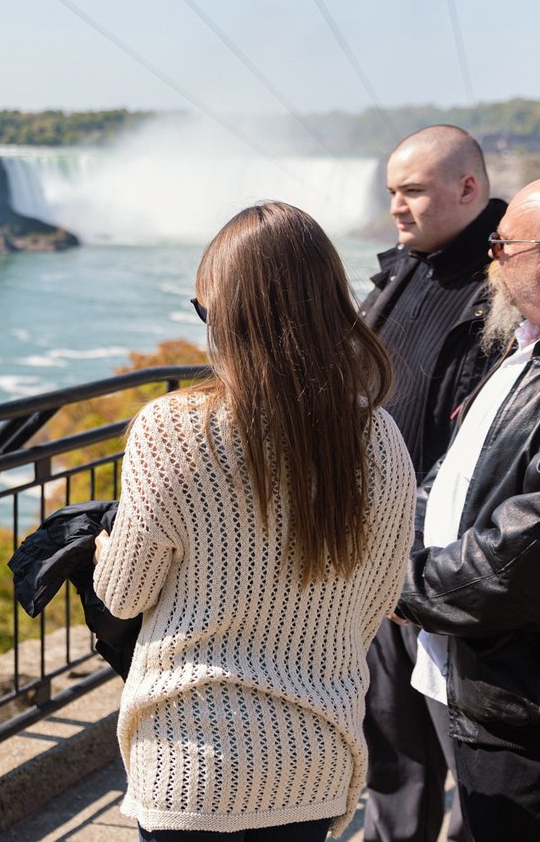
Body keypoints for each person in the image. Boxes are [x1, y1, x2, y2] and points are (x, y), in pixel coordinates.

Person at [94, 201, 415, 840]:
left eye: (204, 313)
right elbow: (378, 599)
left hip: (191, 763)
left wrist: (107, 551)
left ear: (230, 318)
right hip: (314, 762)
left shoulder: (174, 428)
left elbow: (123, 597)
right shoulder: (379, 437)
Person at [396, 176, 540, 840]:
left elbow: (529, 557)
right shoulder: (536, 342)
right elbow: (451, 478)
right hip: (469, 666)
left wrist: (393, 583)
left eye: (501, 245)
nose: (491, 258)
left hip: (527, 694)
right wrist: (397, 546)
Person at [358, 125, 506, 842]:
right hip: (381, 561)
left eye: (412, 191)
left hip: (449, 574)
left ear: (468, 189)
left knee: (475, 775)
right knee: (392, 762)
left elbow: (494, 446)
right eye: (392, 192)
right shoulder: (404, 269)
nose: (397, 208)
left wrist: (421, 565)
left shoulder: (511, 283)